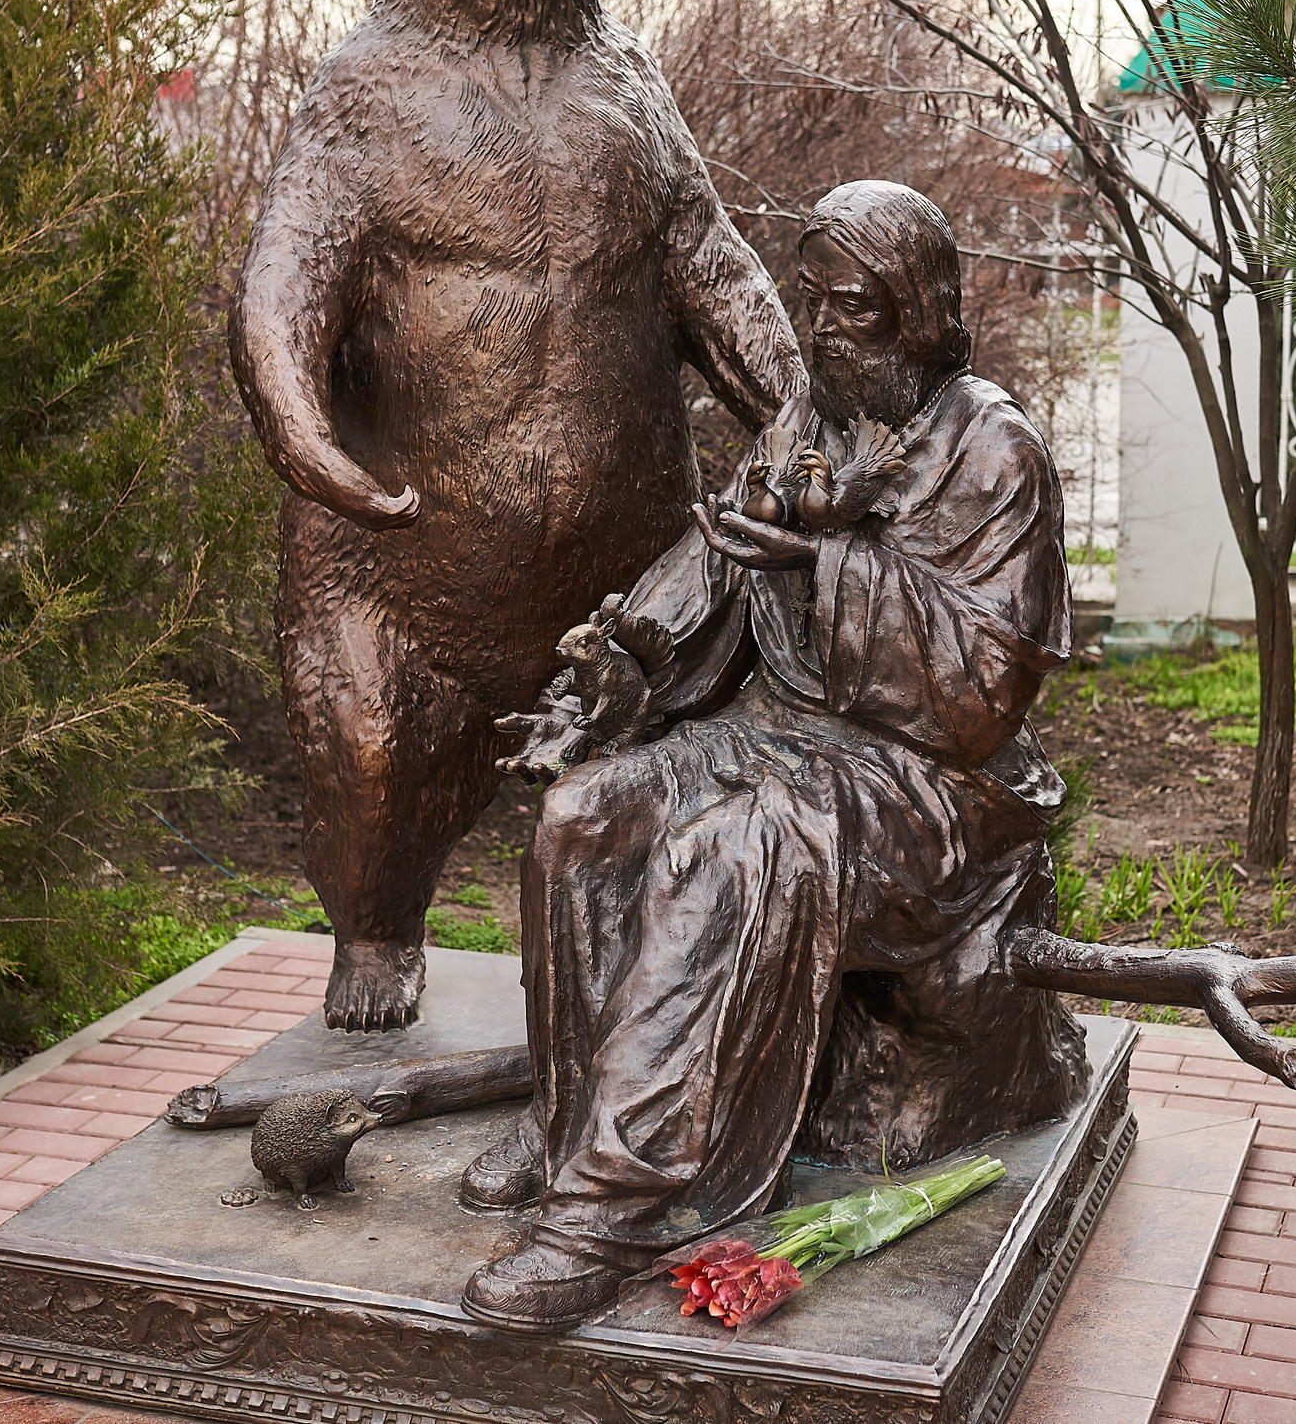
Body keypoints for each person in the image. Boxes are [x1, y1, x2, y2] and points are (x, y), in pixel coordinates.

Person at [459, 181, 1084, 1333]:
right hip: (783, 734)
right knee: (584, 817)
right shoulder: (806, 419)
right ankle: (573, 1113)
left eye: (849, 307)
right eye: (813, 303)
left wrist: (820, 573)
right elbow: (714, 567)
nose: (822, 330)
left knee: (728, 847)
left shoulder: (996, 453)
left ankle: (612, 1205)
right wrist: (616, 668)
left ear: (917, 313)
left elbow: (985, 693)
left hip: (932, 778)